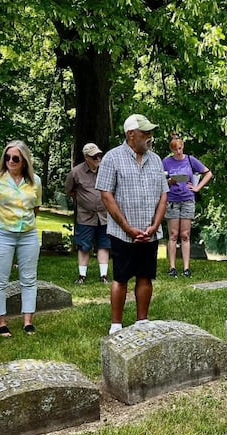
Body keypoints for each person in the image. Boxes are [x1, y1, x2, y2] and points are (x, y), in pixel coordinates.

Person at [96, 114, 168, 334]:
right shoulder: (112, 158)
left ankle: (142, 320)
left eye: (150, 133)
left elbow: (164, 195)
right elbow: (106, 195)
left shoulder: (155, 159)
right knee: (121, 276)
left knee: (146, 275)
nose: (150, 137)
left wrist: (155, 226)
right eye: (145, 133)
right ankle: (116, 324)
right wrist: (127, 227)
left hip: (149, 232)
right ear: (131, 134)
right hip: (122, 232)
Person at [0, 140, 42, 337]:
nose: (10, 161)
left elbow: (36, 208)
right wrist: (0, 224)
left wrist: (24, 223)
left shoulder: (35, 181)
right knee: (0, 280)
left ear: (24, 160)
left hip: (28, 234)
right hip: (2, 234)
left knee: (29, 278)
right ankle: (1, 322)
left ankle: (28, 322)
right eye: (7, 157)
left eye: (15, 158)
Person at [162, 135, 213, 277]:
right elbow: (159, 181)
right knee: (173, 235)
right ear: (171, 149)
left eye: (180, 148)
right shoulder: (166, 162)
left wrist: (197, 188)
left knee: (185, 234)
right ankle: (172, 267)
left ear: (183, 146)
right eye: (175, 149)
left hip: (187, 199)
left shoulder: (190, 160)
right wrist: (170, 182)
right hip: (172, 200)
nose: (178, 151)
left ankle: (186, 267)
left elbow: (208, 173)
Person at [64, 142, 111, 284]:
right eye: (94, 156)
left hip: (104, 215)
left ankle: (103, 276)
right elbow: (69, 190)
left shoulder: (107, 170)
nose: (98, 158)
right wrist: (83, 200)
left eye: (99, 155)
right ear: (86, 157)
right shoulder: (76, 172)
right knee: (84, 246)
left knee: (104, 244)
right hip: (85, 216)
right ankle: (82, 276)